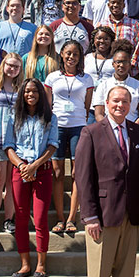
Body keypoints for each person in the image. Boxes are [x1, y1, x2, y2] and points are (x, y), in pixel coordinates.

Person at [74, 86, 139, 277]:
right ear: (106, 103)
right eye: (116, 101)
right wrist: (90, 216)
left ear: (131, 105)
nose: (120, 105)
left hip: (130, 214)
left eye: (125, 101)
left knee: (126, 270)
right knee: (99, 270)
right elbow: (83, 178)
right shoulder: (91, 132)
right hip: (102, 215)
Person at [5, 78, 58, 277]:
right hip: (21, 169)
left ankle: (41, 265)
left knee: (41, 218)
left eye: (35, 91)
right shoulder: (14, 116)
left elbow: (53, 145)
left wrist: (35, 166)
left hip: (42, 169)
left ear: (40, 94)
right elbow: (8, 146)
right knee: (20, 217)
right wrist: (22, 166)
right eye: (27, 91)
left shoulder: (50, 117)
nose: (30, 95)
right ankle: (25, 264)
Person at [45, 40, 94, 235]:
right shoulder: (52, 77)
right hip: (58, 126)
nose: (71, 57)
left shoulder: (87, 79)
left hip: (78, 127)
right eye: (68, 53)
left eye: (75, 54)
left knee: (76, 173)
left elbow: (87, 106)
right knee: (57, 173)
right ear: (62, 55)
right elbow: (49, 106)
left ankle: (72, 217)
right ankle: (59, 217)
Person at [0, 53, 23, 235]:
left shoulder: (20, 88)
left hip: (15, 139)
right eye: (10, 65)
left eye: (16, 67)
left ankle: (9, 219)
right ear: (3, 65)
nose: (12, 69)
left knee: (10, 181)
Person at [92, 42, 139, 125]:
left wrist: (132, 129)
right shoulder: (103, 85)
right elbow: (99, 114)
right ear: (113, 64)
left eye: (125, 62)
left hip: (132, 129)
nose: (121, 65)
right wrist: (109, 129)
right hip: (109, 130)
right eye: (118, 62)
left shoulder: (138, 86)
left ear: (130, 64)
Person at [98, 0, 139, 71]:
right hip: (107, 69)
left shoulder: (134, 24)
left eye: (119, 3)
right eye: (113, 2)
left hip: (129, 70)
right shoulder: (101, 25)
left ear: (124, 5)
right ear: (108, 5)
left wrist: (131, 64)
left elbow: (138, 47)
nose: (115, 5)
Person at [84, 26, 115, 91]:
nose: (102, 41)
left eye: (106, 39)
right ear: (94, 40)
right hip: (89, 96)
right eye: (99, 38)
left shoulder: (115, 59)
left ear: (111, 41)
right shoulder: (87, 58)